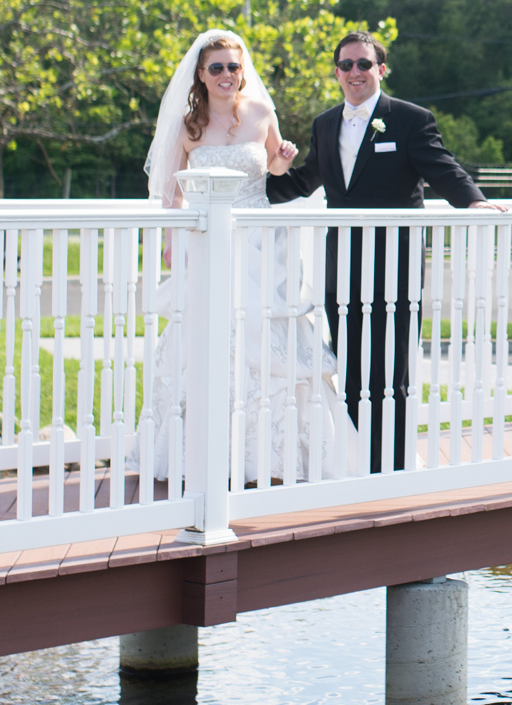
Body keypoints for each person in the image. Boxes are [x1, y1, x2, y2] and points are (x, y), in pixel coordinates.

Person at [265, 31, 501, 471]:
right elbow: (305, 180)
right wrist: (248, 189)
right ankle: (358, 461)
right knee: (350, 363)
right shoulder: (326, 123)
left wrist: (473, 199)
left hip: (395, 264)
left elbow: (441, 166)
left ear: (380, 69)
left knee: (392, 369)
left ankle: (392, 464)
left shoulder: (410, 119)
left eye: (364, 64)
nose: (355, 72)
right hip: (343, 264)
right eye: (347, 64)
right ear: (337, 72)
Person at [142, 30, 364, 484]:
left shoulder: (261, 112)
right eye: (217, 67)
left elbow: (275, 168)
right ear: (201, 76)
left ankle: (281, 456)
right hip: (207, 242)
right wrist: (172, 240)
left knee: (268, 336)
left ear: (243, 72)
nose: (227, 75)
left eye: (233, 66)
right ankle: (209, 454)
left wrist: (282, 156)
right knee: (211, 338)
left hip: (262, 243)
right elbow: (171, 194)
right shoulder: (188, 126)